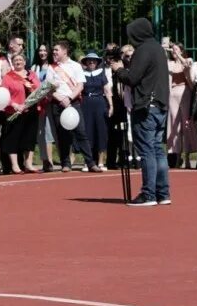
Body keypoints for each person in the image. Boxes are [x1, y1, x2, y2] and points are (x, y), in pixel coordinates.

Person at [109, 18, 170, 206]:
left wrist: (119, 70)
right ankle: (163, 193)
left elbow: (133, 78)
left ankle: (148, 194)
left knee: (147, 150)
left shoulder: (143, 50)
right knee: (158, 149)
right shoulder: (158, 49)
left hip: (146, 105)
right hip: (160, 104)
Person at [45, 41, 97, 172]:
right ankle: (66, 163)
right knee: (62, 135)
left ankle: (91, 163)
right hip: (57, 103)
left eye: (56, 50)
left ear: (65, 51)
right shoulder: (51, 67)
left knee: (81, 132)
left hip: (73, 103)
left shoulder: (75, 66)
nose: (54, 52)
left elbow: (80, 85)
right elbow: (48, 88)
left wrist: (69, 98)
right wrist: (60, 98)